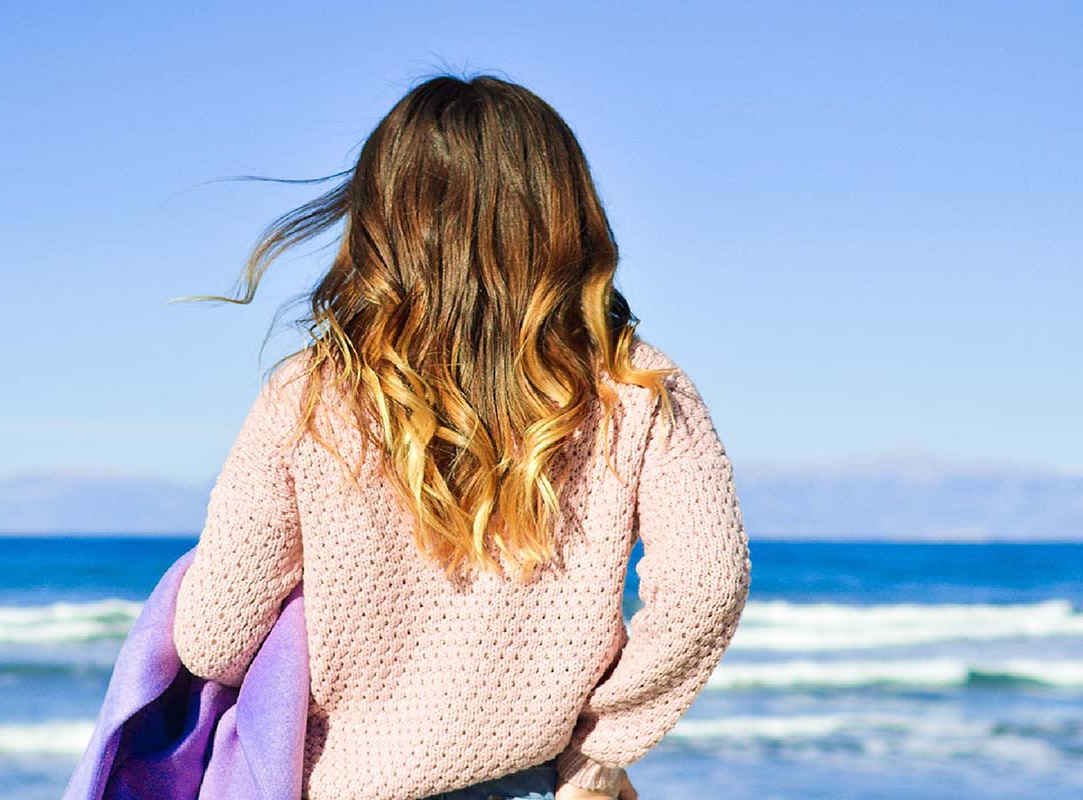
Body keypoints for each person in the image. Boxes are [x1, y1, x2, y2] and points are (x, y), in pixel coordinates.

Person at [169, 72, 752, 800]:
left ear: (381, 218)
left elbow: (214, 638)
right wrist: (604, 750)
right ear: (568, 210)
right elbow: (707, 586)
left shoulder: (311, 393)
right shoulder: (637, 386)